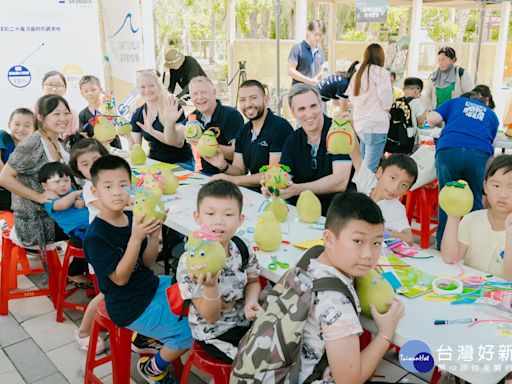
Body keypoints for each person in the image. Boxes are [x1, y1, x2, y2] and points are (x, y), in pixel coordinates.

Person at [84, 155, 193, 383]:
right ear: (95, 192)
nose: (117, 192)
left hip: (149, 286)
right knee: (192, 331)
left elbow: (145, 263)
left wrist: (153, 237)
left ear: (131, 187)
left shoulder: (132, 216)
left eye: (123, 185)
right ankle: (153, 368)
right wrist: (135, 238)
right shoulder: (96, 236)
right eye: (108, 186)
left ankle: (146, 338)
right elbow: (121, 279)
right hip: (129, 305)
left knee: (191, 289)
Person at [298, 192, 404, 382]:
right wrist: (386, 333)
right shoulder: (336, 303)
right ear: (329, 239)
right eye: (358, 241)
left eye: (376, 243)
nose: (368, 254)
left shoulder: (313, 257)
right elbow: (349, 381)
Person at [176, 179, 261, 363]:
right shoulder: (191, 263)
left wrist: (250, 302)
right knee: (253, 364)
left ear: (240, 219)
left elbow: (253, 280)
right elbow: (211, 317)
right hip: (215, 333)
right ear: (197, 217)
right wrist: (211, 287)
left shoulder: (242, 247)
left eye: (228, 214)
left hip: (244, 321)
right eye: (210, 213)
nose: (219, 221)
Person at [427, 86, 499, 248]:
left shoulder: (455, 102)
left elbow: (431, 119)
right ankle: (474, 245)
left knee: (447, 197)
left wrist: (446, 124)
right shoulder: (492, 115)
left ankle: (443, 245)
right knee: (475, 197)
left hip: (449, 149)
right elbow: (490, 139)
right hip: (478, 154)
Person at [266, 83, 353, 214]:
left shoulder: (339, 132)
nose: (309, 114)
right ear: (293, 112)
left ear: (321, 105)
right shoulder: (292, 140)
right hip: (301, 213)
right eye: (301, 109)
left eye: (313, 106)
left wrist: (297, 189)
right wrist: (273, 186)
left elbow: (340, 181)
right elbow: (285, 177)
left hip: (338, 213)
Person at [0, 94, 71, 253]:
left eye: (66, 113)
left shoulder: (57, 141)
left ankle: (81, 269)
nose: (63, 118)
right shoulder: (33, 142)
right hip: (37, 221)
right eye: (56, 114)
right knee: (98, 222)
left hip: (56, 210)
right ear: (41, 117)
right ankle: (77, 271)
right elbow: (3, 177)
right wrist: (38, 196)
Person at [206, 80, 293, 190]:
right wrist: (223, 165)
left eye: (253, 98)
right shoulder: (243, 130)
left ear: (266, 100)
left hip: (280, 196)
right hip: (255, 193)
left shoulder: (280, 127)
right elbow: (240, 170)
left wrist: (232, 180)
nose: (248, 104)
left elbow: (273, 175)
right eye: (243, 100)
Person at [67, 135, 109, 354]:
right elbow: (109, 207)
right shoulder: (89, 188)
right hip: (101, 246)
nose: (92, 166)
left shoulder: (111, 179)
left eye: (96, 159)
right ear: (78, 170)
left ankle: (122, 322)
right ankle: (83, 330)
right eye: (85, 164)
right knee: (107, 291)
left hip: (119, 243)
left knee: (123, 286)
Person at [441, 155, 512, 281]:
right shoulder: (472, 219)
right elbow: (450, 257)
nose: (503, 194)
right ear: (485, 187)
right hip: (472, 292)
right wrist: (453, 217)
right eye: (496, 186)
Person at [163, 76, 244, 175]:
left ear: (214, 93)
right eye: (195, 94)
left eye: (204, 92)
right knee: (164, 175)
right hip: (202, 173)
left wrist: (207, 145)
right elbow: (174, 141)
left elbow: (237, 154)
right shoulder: (193, 117)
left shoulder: (231, 115)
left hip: (227, 176)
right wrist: (169, 122)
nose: (199, 97)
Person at [349, 140, 418, 244]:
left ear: (407, 191)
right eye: (393, 178)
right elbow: (356, 154)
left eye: (404, 185)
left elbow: (409, 239)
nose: (395, 188)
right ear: (380, 173)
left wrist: (384, 233)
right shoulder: (368, 181)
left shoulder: (396, 208)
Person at [131, 70, 194, 171]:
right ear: (138, 90)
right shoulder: (138, 114)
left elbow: (178, 143)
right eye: (142, 87)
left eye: (151, 85)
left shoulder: (172, 106)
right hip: (155, 163)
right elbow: (135, 149)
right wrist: (127, 136)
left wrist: (152, 131)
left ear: (158, 86)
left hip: (180, 164)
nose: (147, 90)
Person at [347, 43, 393, 172]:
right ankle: (365, 192)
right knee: (370, 169)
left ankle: (359, 191)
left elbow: (351, 98)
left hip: (360, 124)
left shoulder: (358, 73)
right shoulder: (381, 72)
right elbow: (387, 101)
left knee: (363, 167)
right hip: (376, 125)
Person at [0, 108, 36, 210]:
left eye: (27, 126)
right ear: (9, 125)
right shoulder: (3, 136)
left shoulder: (31, 149)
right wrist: (10, 182)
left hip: (13, 191)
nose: (21, 129)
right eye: (17, 124)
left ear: (34, 129)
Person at [78, 76, 123, 150]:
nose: (90, 93)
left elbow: (119, 127)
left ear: (100, 90)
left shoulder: (109, 109)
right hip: (95, 150)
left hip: (115, 148)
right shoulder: (82, 114)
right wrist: (95, 140)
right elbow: (82, 135)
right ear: (82, 94)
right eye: (86, 91)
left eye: (93, 90)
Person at [40, 71, 79, 139]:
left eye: (58, 85)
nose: (54, 89)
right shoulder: (34, 111)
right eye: (50, 85)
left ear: (65, 89)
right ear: (43, 86)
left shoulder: (72, 112)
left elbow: (74, 138)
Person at [288, 19, 326, 85]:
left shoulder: (320, 51)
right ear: (308, 31)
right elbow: (290, 71)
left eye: (320, 35)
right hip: (299, 92)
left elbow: (322, 70)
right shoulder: (297, 48)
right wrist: (309, 81)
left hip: (314, 91)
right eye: (316, 34)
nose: (318, 38)